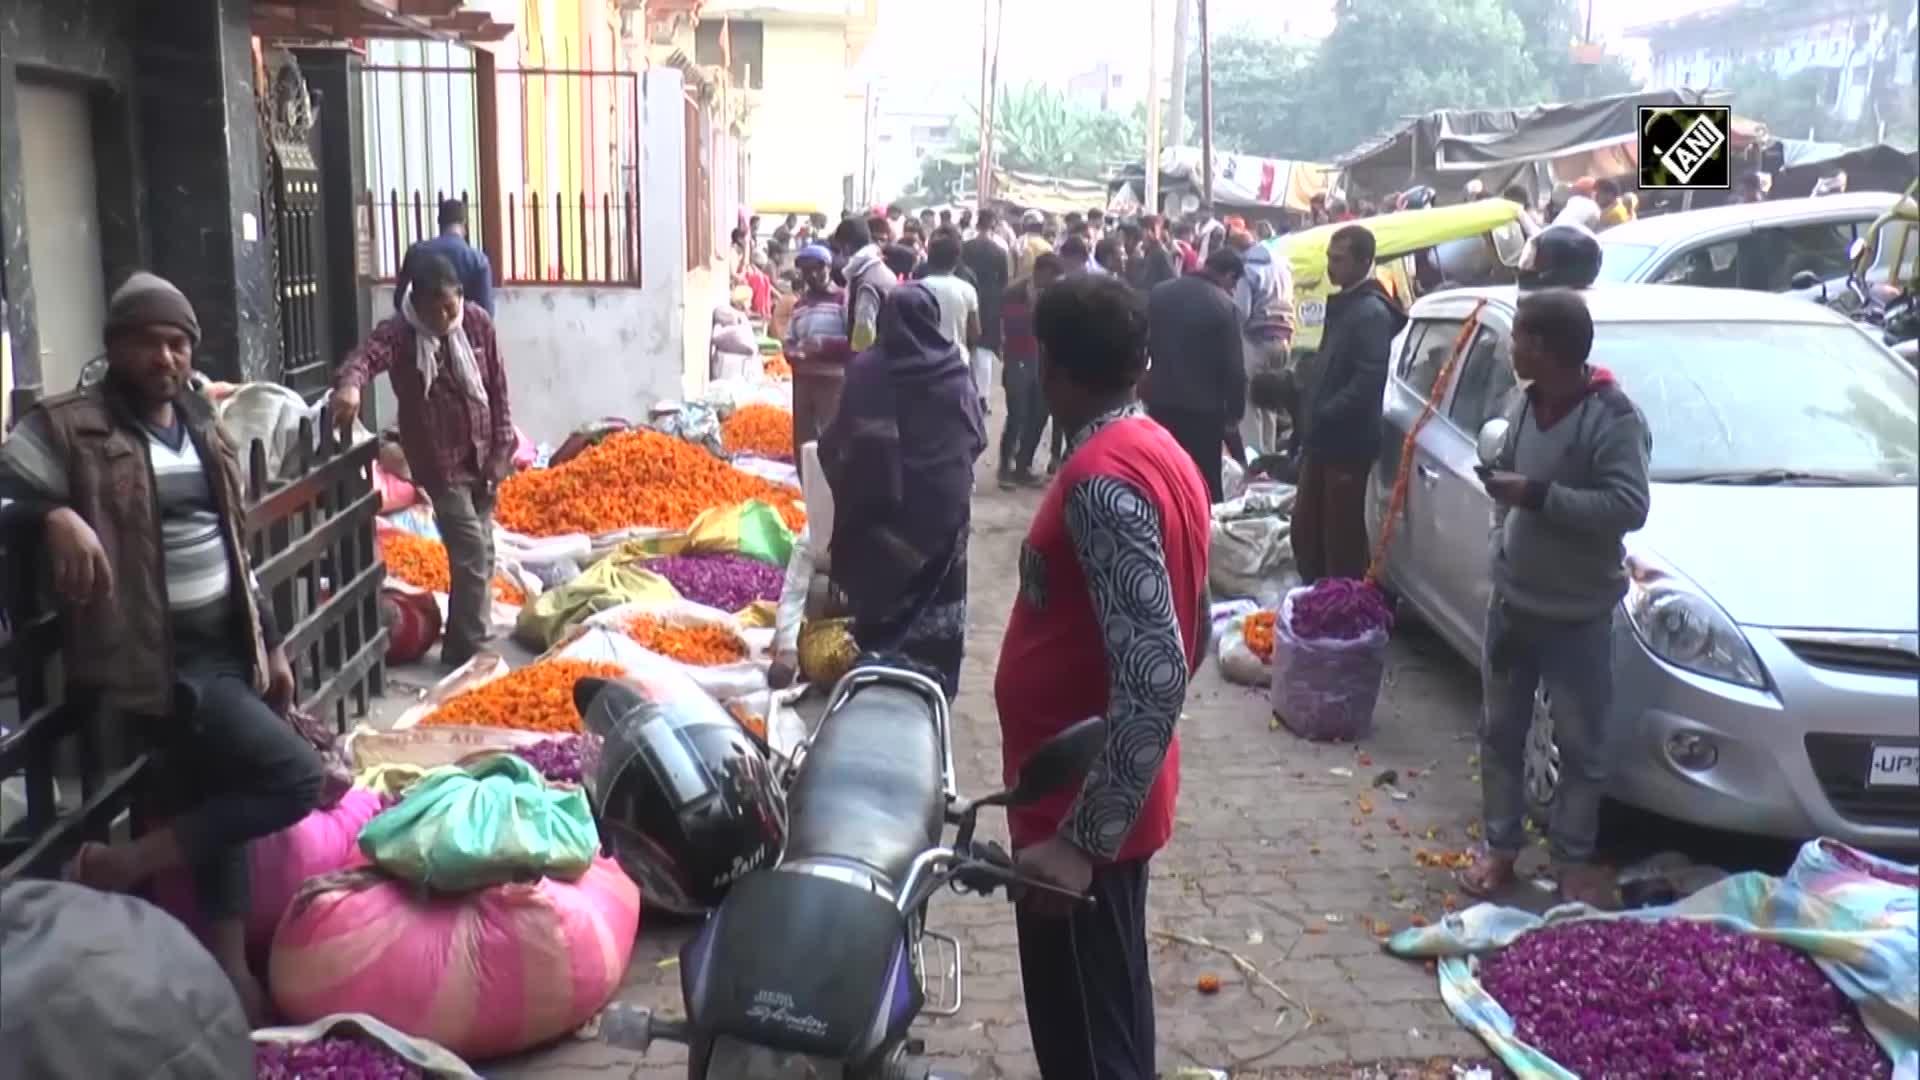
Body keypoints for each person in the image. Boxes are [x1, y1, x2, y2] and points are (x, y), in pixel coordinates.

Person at [0, 272, 324, 1021]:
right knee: (294, 777)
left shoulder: (200, 422)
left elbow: (234, 545)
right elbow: (7, 488)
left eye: (179, 344)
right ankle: (122, 865)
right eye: (150, 342)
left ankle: (230, 972)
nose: (167, 359)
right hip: (163, 659)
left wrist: (269, 640)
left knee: (219, 790)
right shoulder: (70, 426)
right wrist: (52, 514)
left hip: (225, 644)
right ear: (115, 346)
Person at [1000, 271, 1211, 1080]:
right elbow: (1191, 625)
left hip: (1079, 820)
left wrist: (1081, 840)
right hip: (1097, 799)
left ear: (1050, 366)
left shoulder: (1104, 483)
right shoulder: (1154, 445)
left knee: (1090, 1044)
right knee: (1107, 1019)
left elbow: (1159, 673)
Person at [1460, 289, 1650, 911]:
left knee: (1581, 746)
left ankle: (1571, 860)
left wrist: (1538, 496)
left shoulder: (1610, 418)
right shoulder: (1523, 403)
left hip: (1579, 615)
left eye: (1518, 337)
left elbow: (1629, 506)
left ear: (1543, 346)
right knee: (1500, 732)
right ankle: (1500, 847)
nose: (1511, 346)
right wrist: (1501, 540)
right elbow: (1507, 481)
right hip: (1515, 604)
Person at [334, 253, 515, 667]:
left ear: (460, 296)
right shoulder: (400, 334)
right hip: (439, 462)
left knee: (484, 551)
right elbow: (363, 359)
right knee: (469, 549)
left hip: (483, 454)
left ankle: (458, 648)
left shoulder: (477, 324)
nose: (442, 315)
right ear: (416, 301)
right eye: (432, 307)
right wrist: (350, 388)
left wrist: (502, 452)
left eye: (449, 305)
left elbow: (498, 389)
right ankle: (475, 650)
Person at [818, 286, 985, 697]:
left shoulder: (867, 371)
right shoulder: (954, 371)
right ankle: (932, 689)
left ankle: (876, 686)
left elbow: (838, 444)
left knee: (880, 608)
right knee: (938, 610)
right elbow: (975, 437)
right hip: (943, 518)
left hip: (879, 524)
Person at [1295, 225, 1405, 582]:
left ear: (1364, 261)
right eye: (1329, 258)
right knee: (1309, 532)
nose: (1331, 267)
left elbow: (1366, 381)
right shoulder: (1348, 304)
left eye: (1338, 260)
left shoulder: (1370, 312)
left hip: (1346, 442)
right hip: (1324, 438)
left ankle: (1339, 612)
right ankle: (1317, 605)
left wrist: (1325, 412)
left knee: (1339, 540)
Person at [1142, 248, 1247, 502]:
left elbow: (1143, 342)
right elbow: (1234, 367)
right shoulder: (1225, 306)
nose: (1232, 290)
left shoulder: (1160, 293)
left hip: (1160, 400)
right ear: (1229, 275)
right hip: (1204, 409)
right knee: (1203, 479)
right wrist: (1234, 413)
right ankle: (1202, 533)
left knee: (1162, 471)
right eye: (1234, 284)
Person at [998, 253, 1066, 489]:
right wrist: (1035, 309)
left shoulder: (1053, 293)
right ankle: (1005, 468)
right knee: (1017, 414)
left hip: (1042, 360)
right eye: (1052, 276)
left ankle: (1023, 464)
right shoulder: (1015, 292)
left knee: (1040, 413)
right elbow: (1014, 327)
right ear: (1042, 272)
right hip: (1019, 358)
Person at [1227, 229, 1295, 457]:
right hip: (1283, 338)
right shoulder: (1283, 265)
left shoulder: (1248, 269)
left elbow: (1242, 311)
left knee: (1252, 403)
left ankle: (1256, 461)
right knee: (1271, 401)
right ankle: (1271, 457)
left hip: (1256, 340)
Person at [785, 244, 851, 470]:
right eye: (807, 271)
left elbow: (855, 344)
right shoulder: (800, 306)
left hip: (832, 383)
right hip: (803, 382)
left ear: (828, 268)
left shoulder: (842, 300)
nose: (813, 275)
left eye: (818, 269)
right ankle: (809, 489)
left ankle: (834, 490)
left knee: (831, 439)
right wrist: (792, 352)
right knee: (804, 442)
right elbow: (789, 339)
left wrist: (823, 346)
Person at [918, 229, 985, 411]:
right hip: (957, 363)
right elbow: (975, 332)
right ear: (957, 260)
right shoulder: (967, 289)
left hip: (923, 364)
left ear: (929, 259)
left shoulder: (918, 288)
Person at [398, 198, 495, 317]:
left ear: (439, 222)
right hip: (464, 332)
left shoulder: (416, 252)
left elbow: (399, 300)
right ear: (465, 225)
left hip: (420, 329)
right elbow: (486, 311)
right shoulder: (478, 260)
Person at [962, 209, 1012, 411]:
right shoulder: (1000, 249)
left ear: (977, 223)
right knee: (984, 351)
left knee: (966, 346)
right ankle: (982, 396)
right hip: (991, 302)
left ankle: (967, 393)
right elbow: (1004, 281)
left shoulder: (966, 247)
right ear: (993, 225)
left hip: (967, 297)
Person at [833, 216, 898, 353]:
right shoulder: (882, 271)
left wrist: (860, 364)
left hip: (872, 362)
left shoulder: (866, 281)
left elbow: (864, 332)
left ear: (846, 246)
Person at [1016, 209, 1055, 278]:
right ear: (1042, 226)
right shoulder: (1047, 247)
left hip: (1015, 286)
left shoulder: (1016, 244)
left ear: (1023, 226)